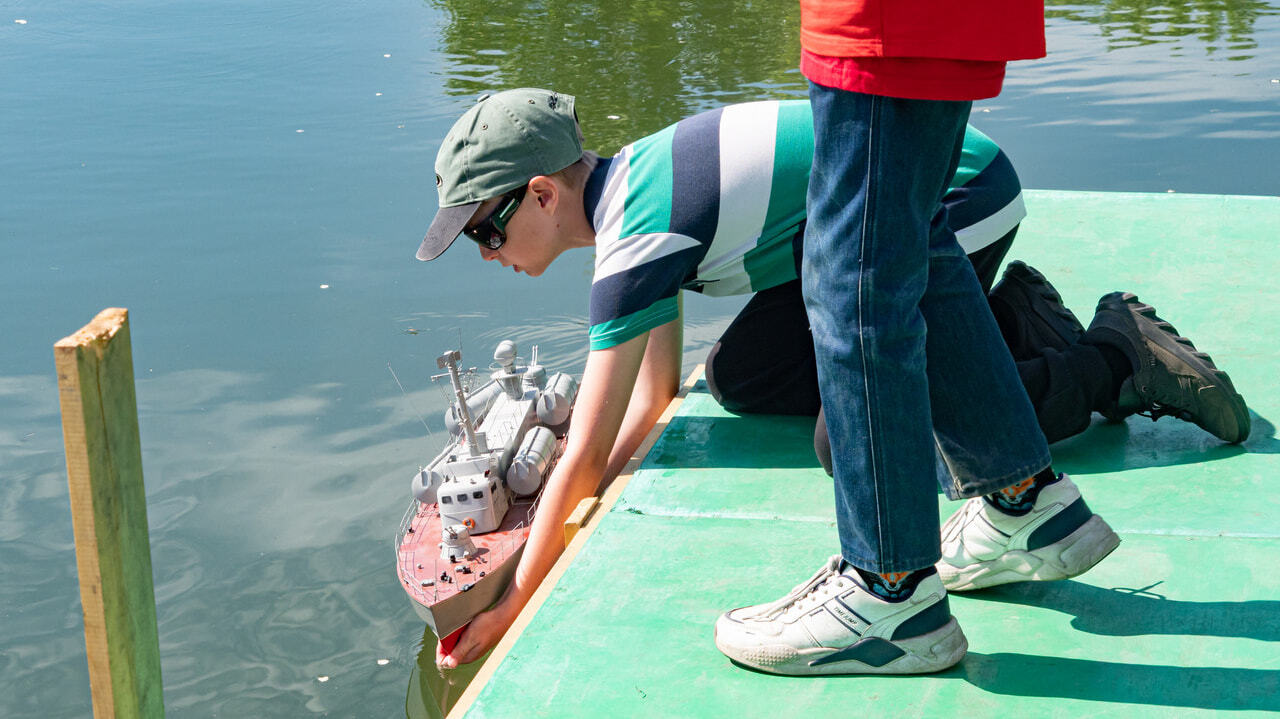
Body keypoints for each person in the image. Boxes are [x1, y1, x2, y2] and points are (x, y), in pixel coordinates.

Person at [415, 89, 1248, 669]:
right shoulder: (631, 195)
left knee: (847, 431)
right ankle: (1012, 318)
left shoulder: (636, 245)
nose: (489, 256)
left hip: (956, 193)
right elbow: (654, 398)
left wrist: (509, 600)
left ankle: (1112, 360)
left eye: (486, 230)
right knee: (740, 376)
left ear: (539, 194)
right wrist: (587, 487)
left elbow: (589, 446)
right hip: (910, 186)